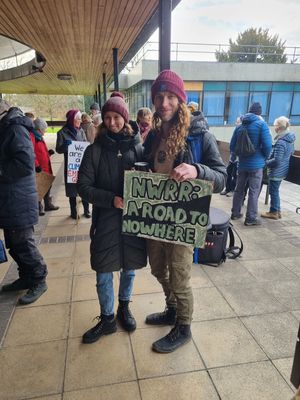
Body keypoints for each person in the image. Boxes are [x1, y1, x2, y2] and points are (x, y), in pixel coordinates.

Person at [143, 70, 227, 353]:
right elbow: (146, 167)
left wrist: (196, 170)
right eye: (159, 96)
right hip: (156, 218)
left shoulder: (200, 134)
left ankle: (183, 326)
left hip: (183, 220)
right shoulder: (153, 134)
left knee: (179, 275)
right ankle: (171, 309)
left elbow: (223, 178)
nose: (164, 102)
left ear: (180, 100)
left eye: (170, 97)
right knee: (157, 268)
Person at [77, 92, 147, 344]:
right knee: (104, 272)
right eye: (107, 117)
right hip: (105, 220)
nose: (112, 122)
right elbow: (83, 187)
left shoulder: (138, 148)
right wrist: (111, 199)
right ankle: (107, 319)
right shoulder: (94, 151)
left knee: (129, 268)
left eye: (116, 116)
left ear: (125, 118)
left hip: (133, 221)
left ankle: (123, 308)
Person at [0, 100, 48, 304]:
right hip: (11, 197)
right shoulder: (7, 127)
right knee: (14, 243)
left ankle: (39, 279)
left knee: (23, 243)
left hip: (18, 198)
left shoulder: (14, 128)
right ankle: (26, 276)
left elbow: (24, 164)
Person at [230, 102, 272, 226]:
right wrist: (264, 157)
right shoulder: (261, 125)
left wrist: (240, 156)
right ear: (259, 113)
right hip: (256, 165)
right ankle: (250, 218)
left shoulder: (239, 126)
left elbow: (232, 146)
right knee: (254, 191)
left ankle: (235, 213)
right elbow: (268, 145)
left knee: (239, 189)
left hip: (242, 164)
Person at [56, 109, 91, 219]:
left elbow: (85, 144)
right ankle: (73, 212)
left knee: (84, 186)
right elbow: (58, 149)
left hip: (82, 165)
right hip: (71, 166)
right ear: (72, 119)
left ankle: (86, 210)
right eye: (78, 119)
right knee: (72, 190)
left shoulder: (81, 131)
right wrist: (66, 146)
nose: (80, 121)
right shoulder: (62, 132)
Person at [261, 116, 295, 220]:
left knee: (273, 191)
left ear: (279, 127)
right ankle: (278, 211)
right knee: (275, 191)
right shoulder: (290, 140)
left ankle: (273, 212)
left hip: (276, 171)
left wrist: (265, 163)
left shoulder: (281, 142)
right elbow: (290, 153)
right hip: (283, 170)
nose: (274, 127)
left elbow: (277, 160)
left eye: (275, 125)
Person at [30, 118, 59, 216]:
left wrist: (48, 153)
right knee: (39, 187)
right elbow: (31, 153)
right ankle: (39, 207)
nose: (45, 131)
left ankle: (48, 204)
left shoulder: (39, 137)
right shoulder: (33, 137)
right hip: (40, 168)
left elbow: (41, 152)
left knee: (48, 185)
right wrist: (36, 165)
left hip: (46, 166)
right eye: (44, 129)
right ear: (39, 129)